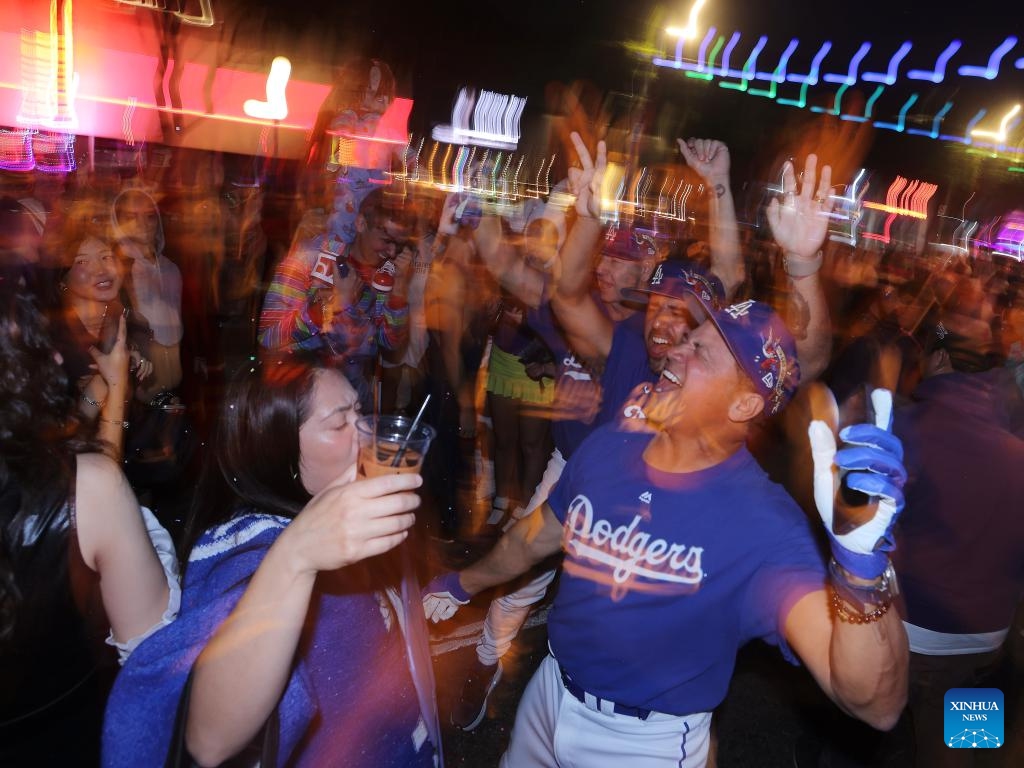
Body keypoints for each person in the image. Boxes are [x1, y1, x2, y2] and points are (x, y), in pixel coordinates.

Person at [425, 298, 909, 767]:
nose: (676, 348)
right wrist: (461, 584)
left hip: (643, 744)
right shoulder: (612, 445)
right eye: (688, 338)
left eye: (700, 350)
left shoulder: (764, 526)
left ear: (742, 404)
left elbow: (876, 705)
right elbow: (533, 537)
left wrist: (860, 570)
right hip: (549, 691)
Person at [103, 358, 439, 767]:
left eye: (360, 413)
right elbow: (208, 739)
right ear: (278, 449)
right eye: (339, 424)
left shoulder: (344, 522)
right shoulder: (245, 548)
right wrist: (294, 557)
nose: (367, 435)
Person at [0, 278, 179, 765]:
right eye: (44, 347)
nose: (58, 358)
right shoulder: (84, 486)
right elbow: (151, 657)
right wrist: (117, 390)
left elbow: (68, 438)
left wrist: (109, 383)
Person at [258, 187, 415, 408]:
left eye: (399, 245)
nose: (392, 252)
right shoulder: (311, 257)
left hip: (352, 403)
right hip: (300, 401)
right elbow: (269, 337)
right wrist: (330, 307)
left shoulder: (384, 275)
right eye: (386, 240)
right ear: (361, 224)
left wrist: (399, 291)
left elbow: (389, 342)